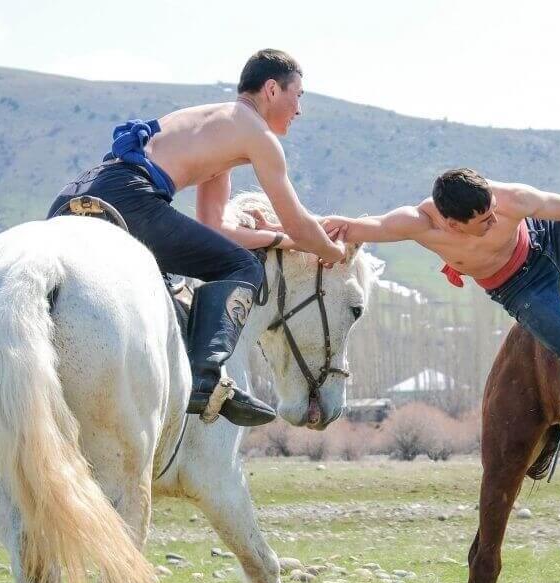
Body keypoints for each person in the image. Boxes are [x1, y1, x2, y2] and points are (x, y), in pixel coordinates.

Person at [44, 48, 345, 426]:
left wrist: (278, 238)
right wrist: (333, 251)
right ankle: (205, 379)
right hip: (129, 199)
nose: (299, 109)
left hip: (76, 193)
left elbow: (215, 230)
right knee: (244, 267)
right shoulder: (259, 136)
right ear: (271, 89)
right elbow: (301, 225)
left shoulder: (219, 127)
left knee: (225, 260)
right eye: (297, 95)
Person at [322, 169, 560, 452]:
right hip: (521, 288)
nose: (495, 221)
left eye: (493, 213)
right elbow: (358, 228)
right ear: (453, 225)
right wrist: (283, 231)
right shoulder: (419, 225)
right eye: (484, 223)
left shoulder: (511, 199)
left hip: (547, 238)